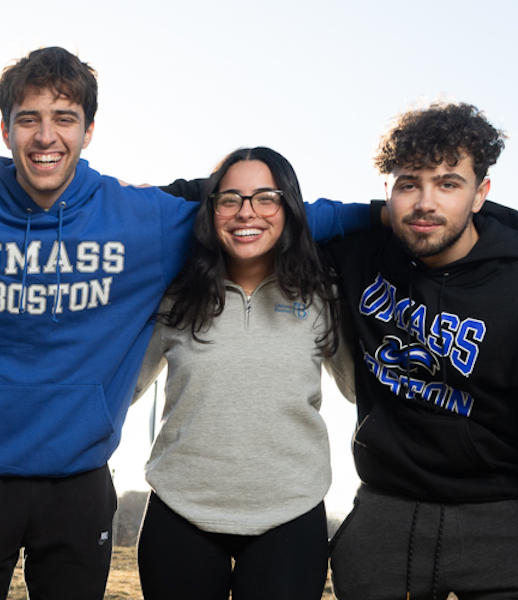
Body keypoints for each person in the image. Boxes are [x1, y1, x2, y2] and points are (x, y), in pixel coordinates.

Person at [0, 47, 377, 600]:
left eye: (65, 118)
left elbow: (273, 214)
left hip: (80, 480)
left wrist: (389, 214)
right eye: (29, 118)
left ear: (89, 130)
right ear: (5, 130)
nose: (46, 136)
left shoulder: (140, 221)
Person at [323, 102, 518, 600]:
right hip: (385, 516)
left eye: (448, 184)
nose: (425, 203)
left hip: (500, 524)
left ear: (481, 193)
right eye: (408, 183)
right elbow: (267, 215)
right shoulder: (359, 254)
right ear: (387, 193)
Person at [131, 147, 355, 599]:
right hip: (181, 511)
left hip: (289, 515)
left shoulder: (323, 295)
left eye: (265, 197)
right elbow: (123, 385)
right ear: (211, 211)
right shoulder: (175, 294)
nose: (246, 212)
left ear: (289, 208)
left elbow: (359, 389)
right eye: (229, 199)